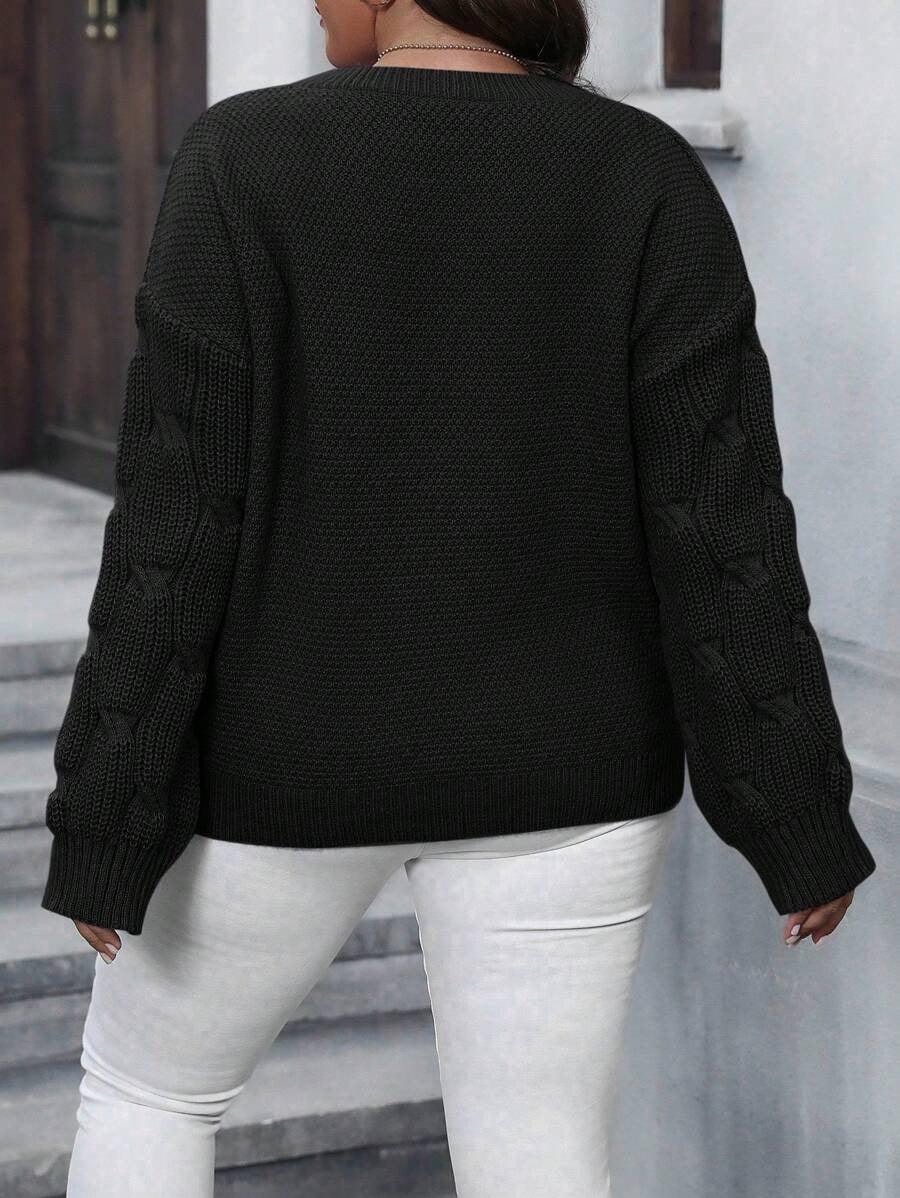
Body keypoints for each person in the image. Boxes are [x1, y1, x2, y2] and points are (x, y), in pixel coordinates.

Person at [39, 0, 877, 1192]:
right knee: (538, 1149)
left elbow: (173, 526)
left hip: (282, 766)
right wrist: (795, 810)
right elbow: (720, 523)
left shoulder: (244, 157)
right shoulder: (641, 170)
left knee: (150, 1092)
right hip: (569, 774)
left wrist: (107, 813)